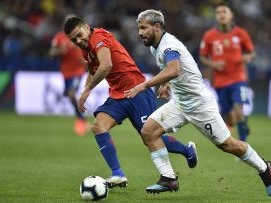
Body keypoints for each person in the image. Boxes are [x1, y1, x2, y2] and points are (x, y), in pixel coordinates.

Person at [124, 9, 271, 196]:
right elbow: (170, 70)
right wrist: (164, 83)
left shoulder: (168, 46)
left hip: (199, 104)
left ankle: (264, 167)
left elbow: (174, 69)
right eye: (139, 28)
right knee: (148, 131)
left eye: (143, 28)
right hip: (180, 103)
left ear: (157, 27)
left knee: (227, 145)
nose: (139, 33)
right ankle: (169, 179)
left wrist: (144, 85)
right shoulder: (155, 45)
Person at [63, 16, 198, 188]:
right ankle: (117, 174)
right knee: (98, 127)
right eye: (74, 39)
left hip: (137, 91)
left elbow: (106, 65)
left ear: (87, 27)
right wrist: (85, 89)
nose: (78, 40)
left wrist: (88, 90)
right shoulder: (85, 49)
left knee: (150, 137)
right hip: (118, 95)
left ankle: (187, 151)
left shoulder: (99, 37)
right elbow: (93, 70)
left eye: (79, 35)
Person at [199, 3, 255, 141]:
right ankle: (243, 123)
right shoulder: (209, 36)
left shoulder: (241, 33)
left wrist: (248, 57)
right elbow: (202, 57)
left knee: (238, 110)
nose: (221, 15)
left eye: (224, 11)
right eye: (218, 12)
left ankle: (243, 145)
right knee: (230, 118)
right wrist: (213, 64)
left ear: (231, 15)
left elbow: (252, 52)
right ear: (216, 17)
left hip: (238, 79)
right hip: (220, 81)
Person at [49, 16, 88, 136]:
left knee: (71, 93)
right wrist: (60, 50)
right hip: (66, 72)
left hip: (78, 71)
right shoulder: (59, 37)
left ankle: (81, 120)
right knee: (68, 95)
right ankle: (80, 118)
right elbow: (51, 54)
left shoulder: (81, 35)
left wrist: (86, 60)